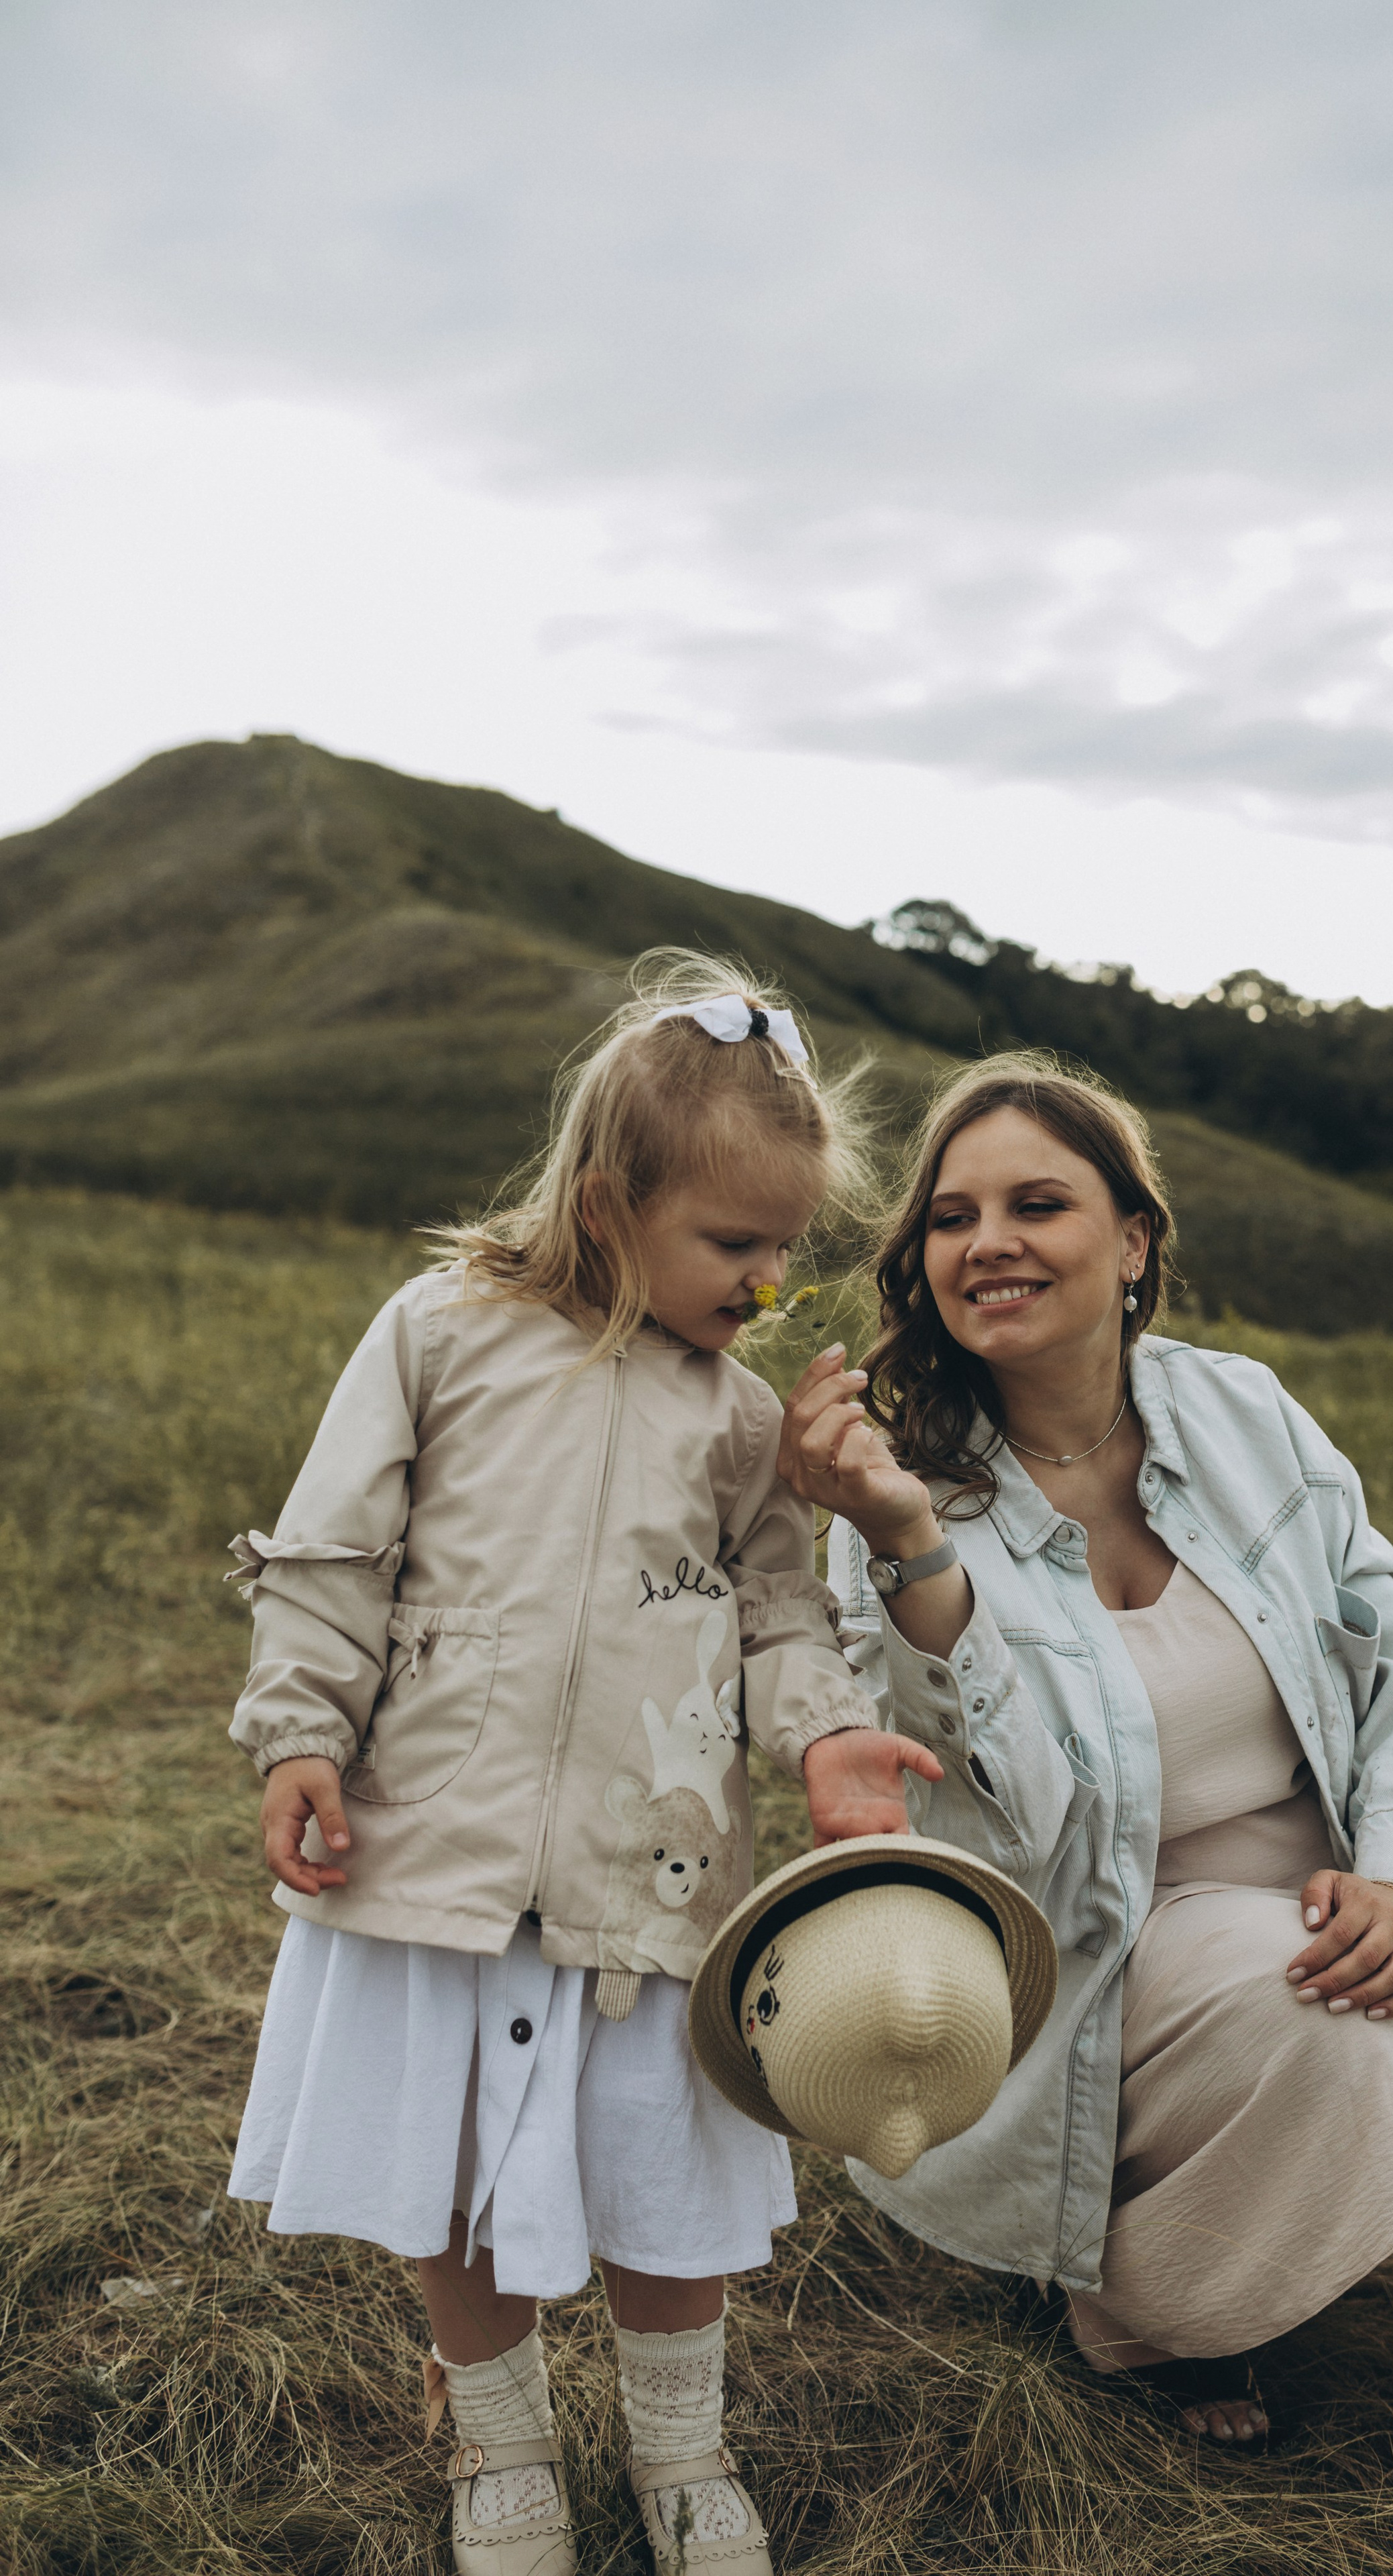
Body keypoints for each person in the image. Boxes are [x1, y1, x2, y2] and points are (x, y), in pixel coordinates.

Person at [779, 1054, 1393, 2446]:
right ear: (921, 1262)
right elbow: (1005, 1809)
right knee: (1310, 2008)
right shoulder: (892, 1489)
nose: (987, 1242)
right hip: (1085, 1932)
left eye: (1036, 1203)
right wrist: (907, 1546)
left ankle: (1277, 2159)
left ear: (1130, 1242)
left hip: (1319, 1883)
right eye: (951, 1217)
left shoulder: (1243, 1416)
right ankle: (1152, 2310)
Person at [224, 955, 939, 2576]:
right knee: (455, 2176)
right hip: (438, 1851)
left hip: (654, 1864)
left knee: (658, 2168)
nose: (768, 1284)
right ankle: (503, 2455)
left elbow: (775, 1612)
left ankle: (683, 2454)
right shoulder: (441, 1333)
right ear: (612, 1205)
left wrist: (827, 1737)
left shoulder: (743, 1420)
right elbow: (338, 1551)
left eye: (785, 1250)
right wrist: (298, 1735)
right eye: (735, 1244)